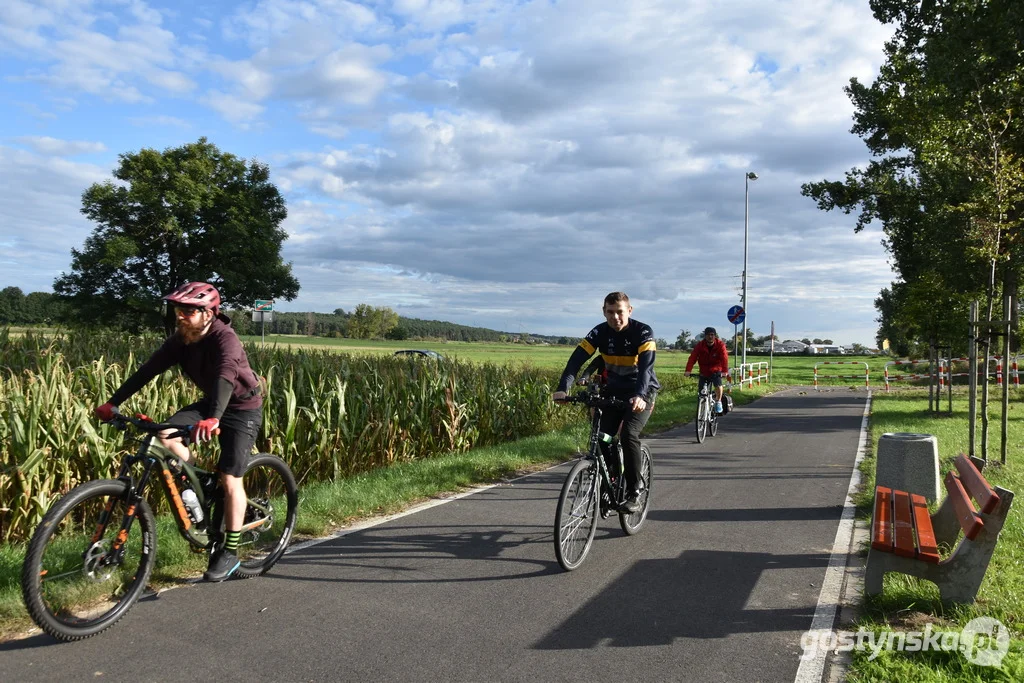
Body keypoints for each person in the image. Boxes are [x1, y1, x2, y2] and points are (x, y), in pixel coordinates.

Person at [94, 282, 263, 582]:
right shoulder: (181, 340)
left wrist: (213, 418)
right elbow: (147, 371)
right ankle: (199, 483)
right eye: (177, 310)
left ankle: (230, 553)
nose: (180, 316)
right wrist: (113, 403)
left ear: (209, 314)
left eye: (187, 310)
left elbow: (226, 375)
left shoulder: (226, 339)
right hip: (211, 403)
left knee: (230, 478)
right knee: (167, 435)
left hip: (241, 407)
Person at [552, 292, 660, 513]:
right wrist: (563, 388)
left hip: (642, 392)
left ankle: (634, 492)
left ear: (629, 311)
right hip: (613, 392)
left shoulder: (643, 332)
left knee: (628, 434)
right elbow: (576, 360)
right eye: (610, 312)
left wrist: (639, 395)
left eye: (620, 312)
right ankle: (609, 480)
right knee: (601, 437)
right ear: (604, 312)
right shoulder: (600, 332)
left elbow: (646, 369)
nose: (615, 318)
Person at [685, 326, 729, 413]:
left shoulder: (720, 345)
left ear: (715, 336)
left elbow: (724, 358)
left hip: (716, 370)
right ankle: (702, 408)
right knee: (702, 392)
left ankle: (718, 401)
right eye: (708, 335)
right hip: (704, 370)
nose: (710, 337)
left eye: (712, 335)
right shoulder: (700, 345)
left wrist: (724, 371)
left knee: (718, 384)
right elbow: (693, 357)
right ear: (705, 336)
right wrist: (688, 370)